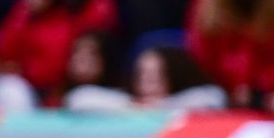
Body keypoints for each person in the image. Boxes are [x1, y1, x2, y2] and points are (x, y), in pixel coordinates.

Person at [65, 46, 229, 113]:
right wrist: (133, 108)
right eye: (143, 74)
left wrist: (159, 107)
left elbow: (215, 97)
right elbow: (77, 98)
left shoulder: (180, 107)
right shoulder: (126, 105)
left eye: (157, 75)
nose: (148, 81)